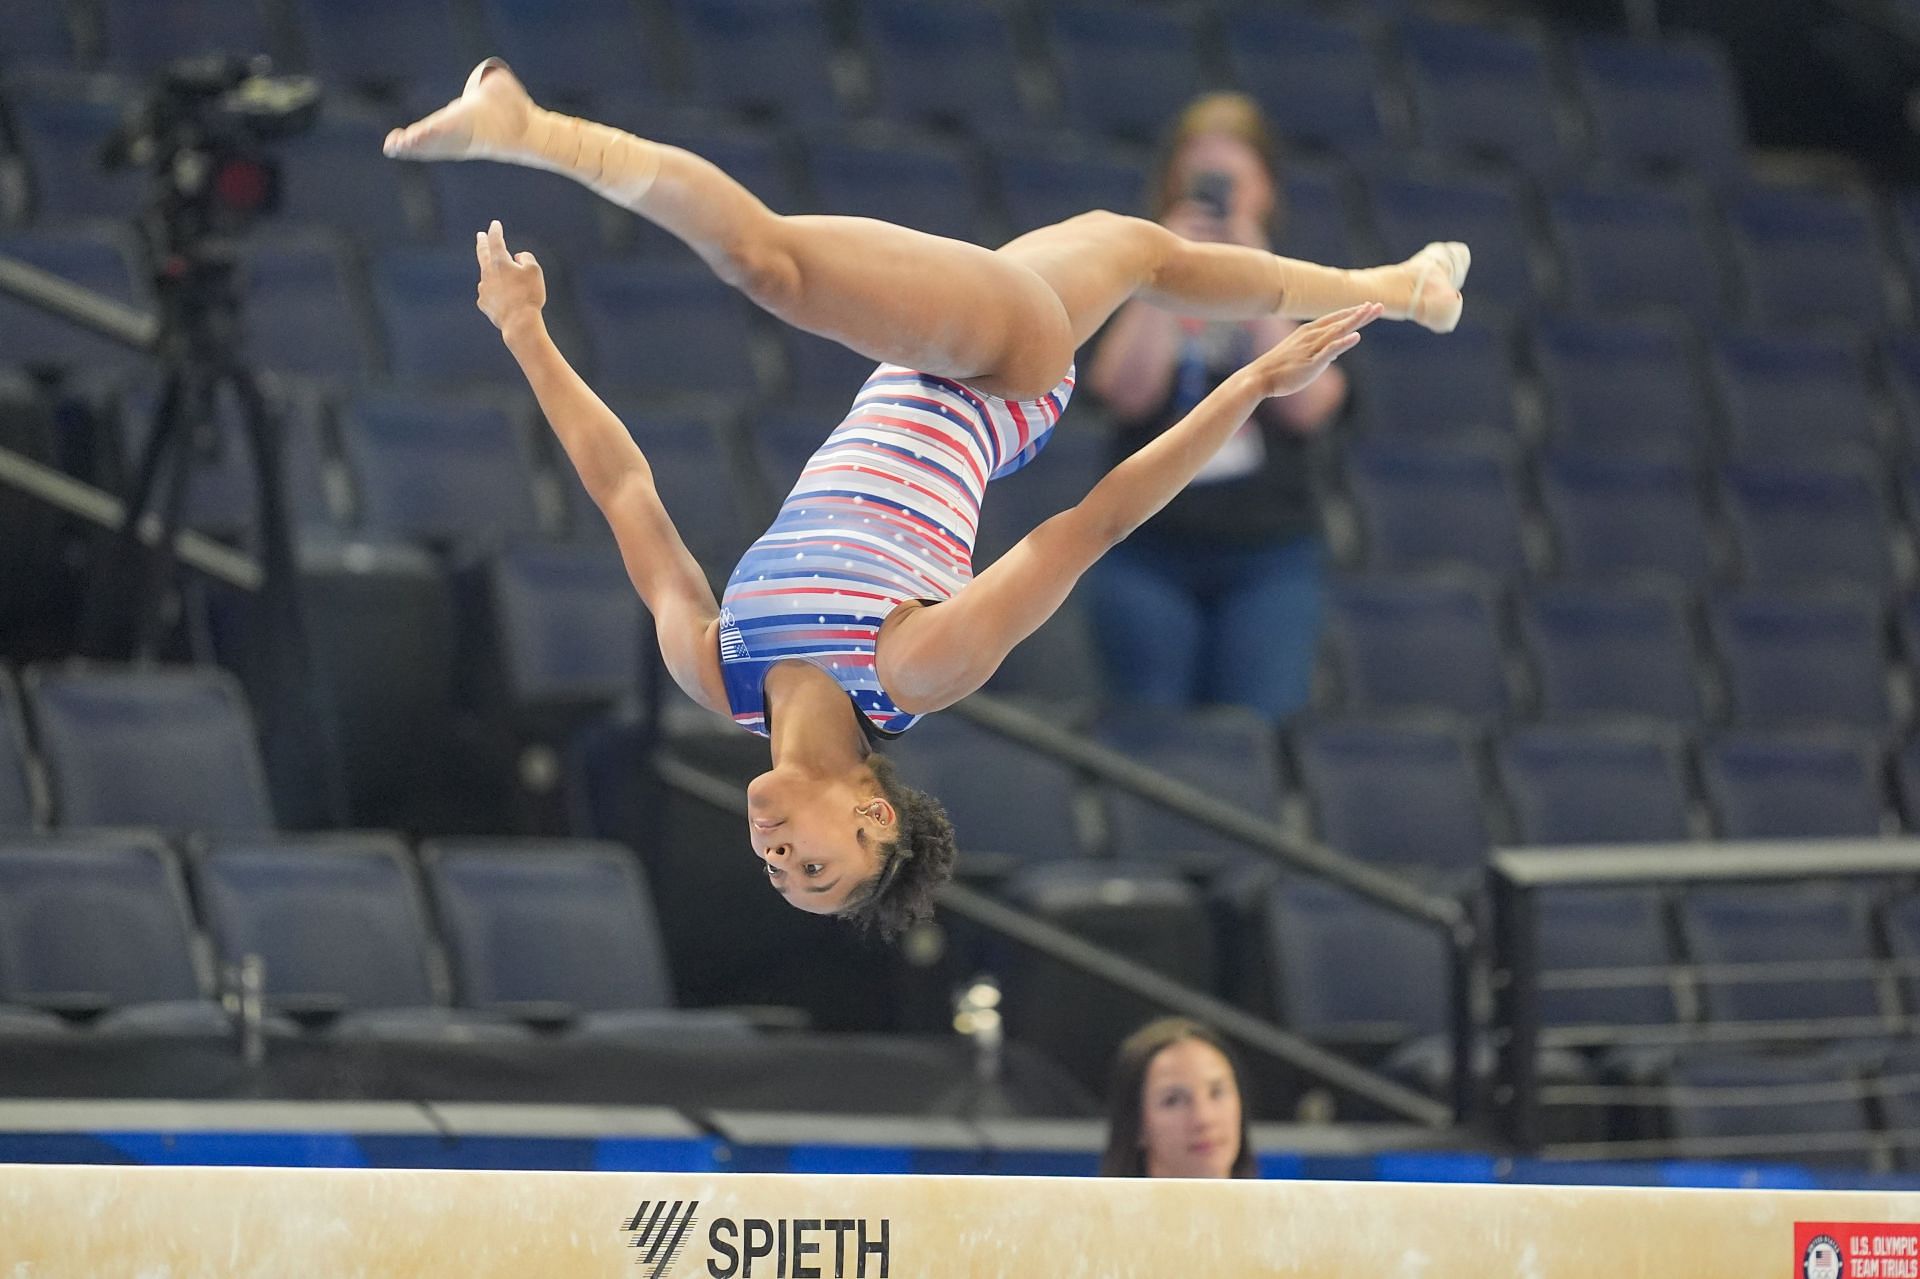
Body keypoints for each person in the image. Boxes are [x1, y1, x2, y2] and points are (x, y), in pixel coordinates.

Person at [385, 60, 1470, 938]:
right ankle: (531, 129)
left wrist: (525, 334)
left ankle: (1402, 288)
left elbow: (624, 488)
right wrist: (1246, 386)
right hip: (997, 372)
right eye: (819, 862)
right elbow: (1088, 527)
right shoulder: (911, 666)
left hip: (929, 350)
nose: (778, 857)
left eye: (783, 877)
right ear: (873, 812)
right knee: (773, 268)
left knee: (1145, 250)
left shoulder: (721, 670)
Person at [1086, 93, 1347, 724]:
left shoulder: (1307, 276)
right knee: (1148, 733)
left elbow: (1310, 406)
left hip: (1269, 555)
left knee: (1254, 737)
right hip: (1146, 548)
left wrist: (1256, 273)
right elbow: (1123, 392)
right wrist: (1165, 268)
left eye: (1232, 180)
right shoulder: (1131, 270)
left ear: (1266, 190)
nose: (1218, 196)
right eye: (1203, 178)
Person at [1101, 1017, 1255, 1179]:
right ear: (1136, 1123)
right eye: (1173, 1100)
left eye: (1217, 1092)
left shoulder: (1278, 1204)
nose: (1204, 1118)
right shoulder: (1093, 1205)